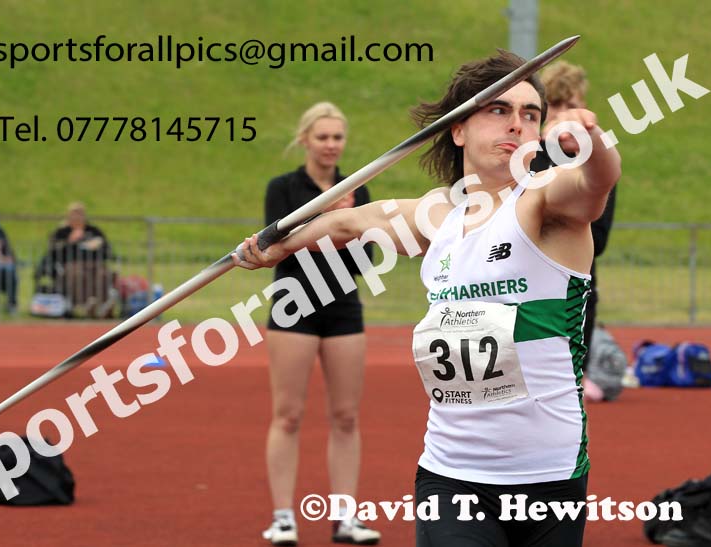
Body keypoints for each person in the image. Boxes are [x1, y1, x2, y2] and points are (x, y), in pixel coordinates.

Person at [234, 50, 621, 547]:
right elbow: (355, 220)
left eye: (530, 115)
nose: (517, 125)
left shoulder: (549, 204)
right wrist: (278, 246)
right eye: (498, 110)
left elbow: (598, 180)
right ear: (459, 129)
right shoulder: (437, 214)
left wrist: (591, 139)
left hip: (549, 478)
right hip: (450, 473)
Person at [259, 102, 380, 546]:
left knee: (346, 416)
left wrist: (346, 221)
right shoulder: (284, 188)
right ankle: (284, 517)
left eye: (338, 137)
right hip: (293, 309)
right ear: (305, 138)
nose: (331, 145)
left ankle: (345, 518)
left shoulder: (357, 190)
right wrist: (331, 220)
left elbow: (365, 258)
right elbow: (279, 248)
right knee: (287, 414)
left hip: (343, 307)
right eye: (323, 137)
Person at [530, 61, 617, 402]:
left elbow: (602, 236)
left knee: (568, 401)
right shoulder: (526, 155)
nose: (565, 114)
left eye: (573, 105)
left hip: (575, 293)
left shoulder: (597, 160)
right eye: (557, 104)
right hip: (523, 290)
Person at [36, 202, 115, 318]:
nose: (77, 217)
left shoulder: (93, 230)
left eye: (80, 214)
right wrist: (70, 241)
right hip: (71, 264)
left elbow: (107, 249)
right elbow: (53, 250)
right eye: (74, 214)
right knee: (77, 275)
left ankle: (102, 305)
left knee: (103, 274)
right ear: (69, 216)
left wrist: (96, 244)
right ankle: (84, 305)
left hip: (95, 263)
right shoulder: (62, 232)